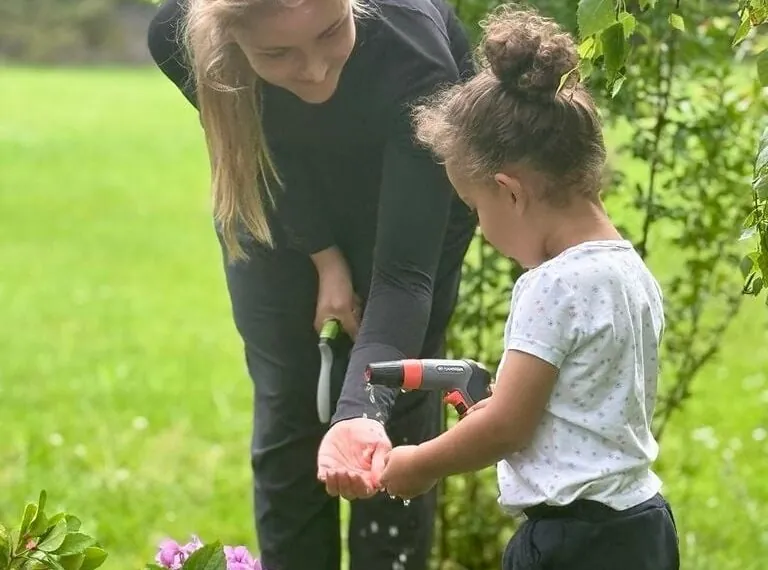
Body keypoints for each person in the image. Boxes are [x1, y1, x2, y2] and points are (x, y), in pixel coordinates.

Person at [145, 0, 477, 568]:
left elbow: (404, 274)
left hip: (408, 209)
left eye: (330, 33)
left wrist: (359, 414)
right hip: (274, 204)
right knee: (290, 412)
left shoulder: (415, 51)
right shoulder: (180, 38)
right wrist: (323, 254)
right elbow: (259, 149)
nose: (316, 69)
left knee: (390, 421)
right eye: (277, 53)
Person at [378, 5, 681, 570]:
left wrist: (420, 462)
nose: (482, 228)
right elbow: (580, 404)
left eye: (475, 208)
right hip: (641, 525)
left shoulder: (551, 285)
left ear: (509, 192)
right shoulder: (628, 270)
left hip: (572, 542)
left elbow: (508, 427)